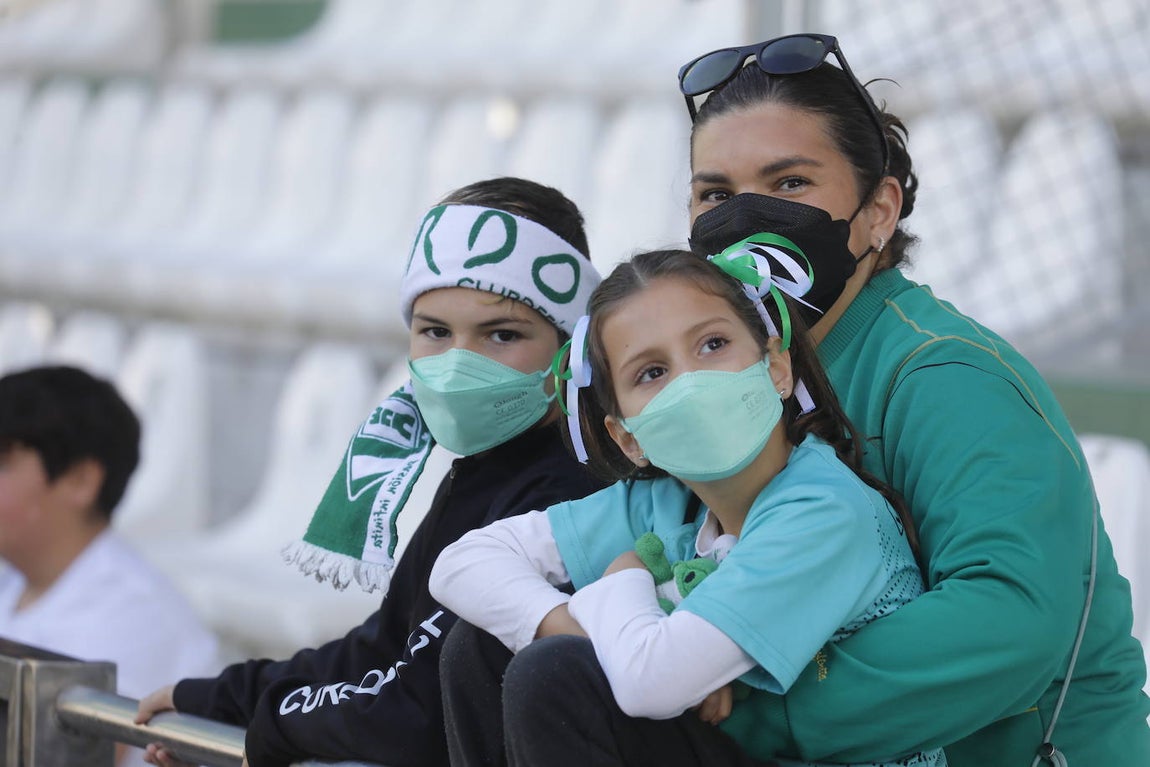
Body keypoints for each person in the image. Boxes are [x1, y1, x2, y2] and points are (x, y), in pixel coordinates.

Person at [676, 33, 1150, 765]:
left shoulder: (946, 374)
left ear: (879, 211)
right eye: (716, 195)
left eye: (790, 183)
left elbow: (1010, 618)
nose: (743, 219)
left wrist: (753, 705)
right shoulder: (733, 371)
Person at [135, 177, 606, 767]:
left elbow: (417, 711)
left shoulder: (566, 494)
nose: (458, 363)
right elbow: (383, 648)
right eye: (435, 331)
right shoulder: (486, 470)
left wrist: (270, 724)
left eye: (502, 334)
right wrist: (225, 701)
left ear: (569, 350)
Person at [430, 248, 945, 767]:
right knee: (482, 646)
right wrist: (570, 624)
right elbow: (462, 563)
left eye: (713, 344)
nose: (690, 382)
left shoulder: (823, 510)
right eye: (652, 372)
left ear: (776, 367)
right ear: (628, 438)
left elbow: (650, 685)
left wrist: (624, 574)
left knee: (555, 672)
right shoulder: (669, 501)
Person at [0, 364, 221, 767]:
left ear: (80, 480)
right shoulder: (14, 581)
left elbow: (68, 757)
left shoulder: (135, 614)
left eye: (3, 461)